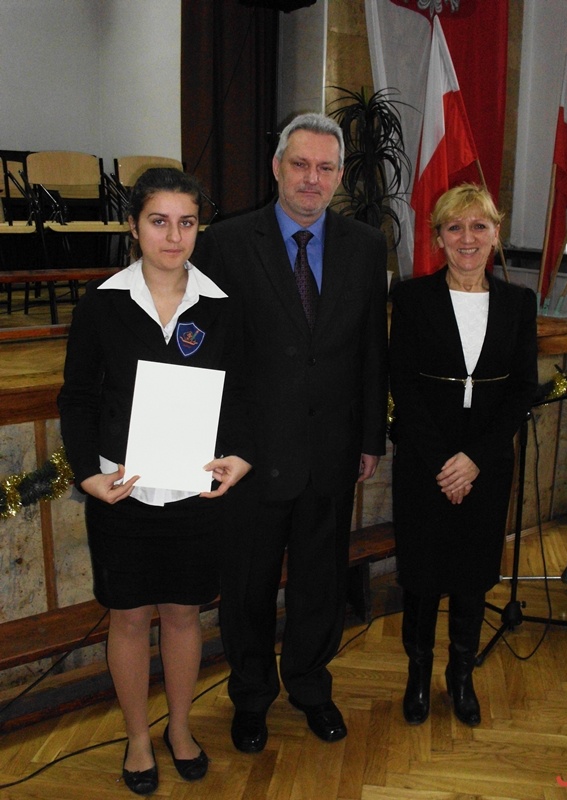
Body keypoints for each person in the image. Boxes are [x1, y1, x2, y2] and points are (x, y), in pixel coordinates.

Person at [195, 112, 389, 751]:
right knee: (247, 588)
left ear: (340, 175)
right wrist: (219, 444)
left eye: (325, 167)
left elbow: (371, 349)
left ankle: (310, 685)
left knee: (320, 584)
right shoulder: (226, 243)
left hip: (331, 451)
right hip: (251, 455)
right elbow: (210, 353)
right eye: (300, 164)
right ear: (277, 167)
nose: (312, 178)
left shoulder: (366, 246)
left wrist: (370, 437)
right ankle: (251, 696)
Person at [58, 168, 253, 795]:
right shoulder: (102, 305)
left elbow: (242, 395)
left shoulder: (221, 306)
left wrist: (241, 456)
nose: (174, 237)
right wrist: (88, 475)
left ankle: (181, 728)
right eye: (159, 221)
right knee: (128, 620)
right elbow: (78, 399)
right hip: (123, 493)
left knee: (183, 615)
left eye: (186, 223)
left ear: (199, 228)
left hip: (195, 492)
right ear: (134, 226)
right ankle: (138, 738)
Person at [389, 183, 538, 727]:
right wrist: (444, 463)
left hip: (488, 461)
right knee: (422, 576)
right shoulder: (411, 298)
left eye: (479, 226)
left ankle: (461, 675)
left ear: (496, 234)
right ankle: (418, 675)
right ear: (439, 238)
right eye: (455, 227)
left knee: (473, 574)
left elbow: (522, 388)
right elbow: (403, 386)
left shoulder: (519, 303)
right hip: (425, 460)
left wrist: (474, 459)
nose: (467, 238)